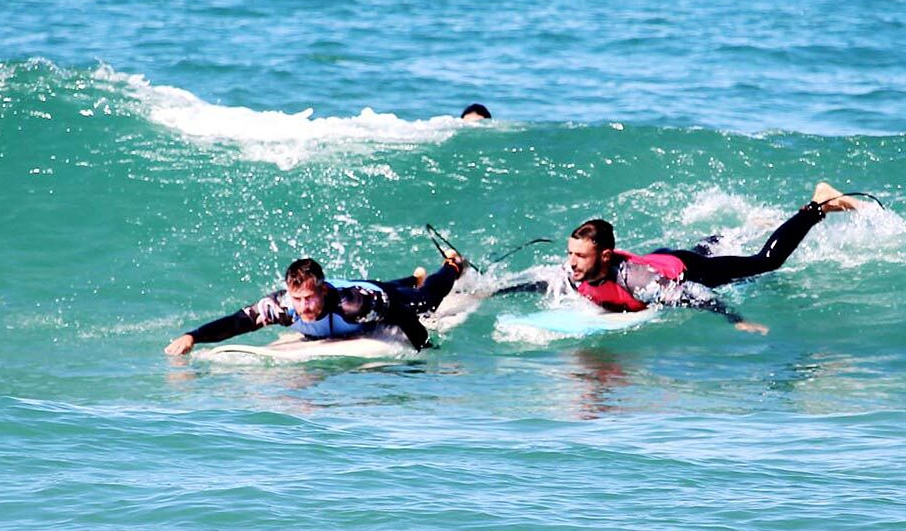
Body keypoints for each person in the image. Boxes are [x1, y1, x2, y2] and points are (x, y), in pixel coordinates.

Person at [500, 182, 862, 334]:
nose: (572, 262)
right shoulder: (574, 271)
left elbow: (693, 294)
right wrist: (486, 293)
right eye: (570, 254)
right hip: (659, 259)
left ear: (605, 255)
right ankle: (730, 232)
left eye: (580, 255)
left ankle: (819, 205)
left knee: (765, 262)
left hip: (685, 270)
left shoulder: (640, 284)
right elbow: (536, 283)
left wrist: (735, 319)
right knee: (693, 249)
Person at [165, 254, 466, 355]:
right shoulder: (281, 306)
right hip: (368, 291)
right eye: (298, 299)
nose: (304, 307)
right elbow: (235, 323)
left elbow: (402, 316)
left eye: (309, 298)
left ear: (322, 291)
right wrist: (193, 336)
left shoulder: (356, 305)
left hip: (378, 294)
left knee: (425, 300)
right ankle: (412, 277)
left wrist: (425, 350)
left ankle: (451, 267)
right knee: (401, 288)